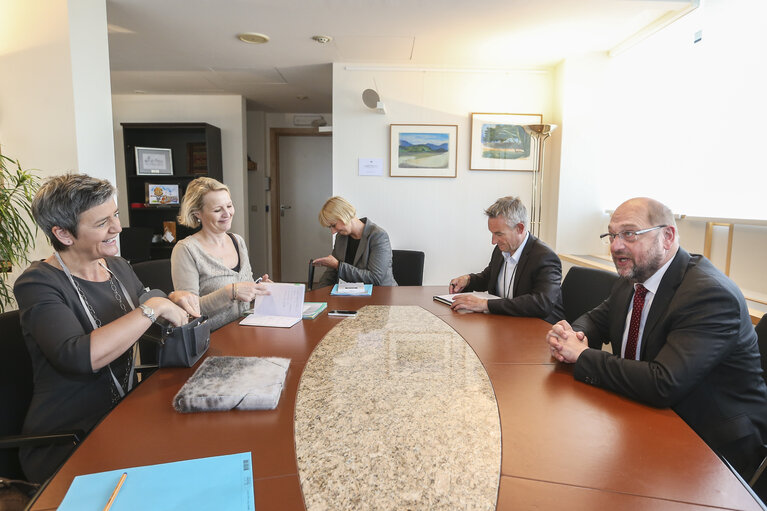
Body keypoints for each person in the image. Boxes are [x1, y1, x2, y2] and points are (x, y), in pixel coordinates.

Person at [546, 197, 767, 487]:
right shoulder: (634, 277)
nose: (615, 246)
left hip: (711, 444)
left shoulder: (709, 295)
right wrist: (571, 335)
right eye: (612, 235)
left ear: (668, 236)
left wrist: (582, 355)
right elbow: (597, 319)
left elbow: (663, 383)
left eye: (629, 234)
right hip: (646, 416)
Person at [13, 174, 197, 483]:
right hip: (69, 439)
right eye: (102, 223)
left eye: (115, 215)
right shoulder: (38, 283)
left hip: (123, 418)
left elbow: (144, 299)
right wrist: (153, 308)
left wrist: (170, 298)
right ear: (64, 234)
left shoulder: (116, 265)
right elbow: (80, 356)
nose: (117, 228)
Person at [171, 177, 270, 331]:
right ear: (198, 214)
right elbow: (189, 312)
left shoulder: (237, 241)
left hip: (246, 331)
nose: (227, 214)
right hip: (212, 340)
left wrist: (260, 291)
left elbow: (245, 297)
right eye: (217, 210)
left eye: (229, 206)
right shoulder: (186, 250)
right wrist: (230, 292)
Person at [448, 196, 564, 323]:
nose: (493, 241)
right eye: (492, 233)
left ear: (520, 228)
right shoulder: (502, 249)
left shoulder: (545, 257)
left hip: (540, 329)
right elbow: (489, 277)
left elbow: (541, 304)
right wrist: (468, 280)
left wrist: (485, 304)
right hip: (507, 323)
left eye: (499, 234)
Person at [313, 196, 397, 287]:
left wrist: (338, 266)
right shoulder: (341, 237)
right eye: (330, 227)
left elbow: (375, 278)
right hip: (354, 294)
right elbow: (331, 273)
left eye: (334, 225)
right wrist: (317, 293)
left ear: (344, 215)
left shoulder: (378, 236)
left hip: (381, 295)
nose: (333, 232)